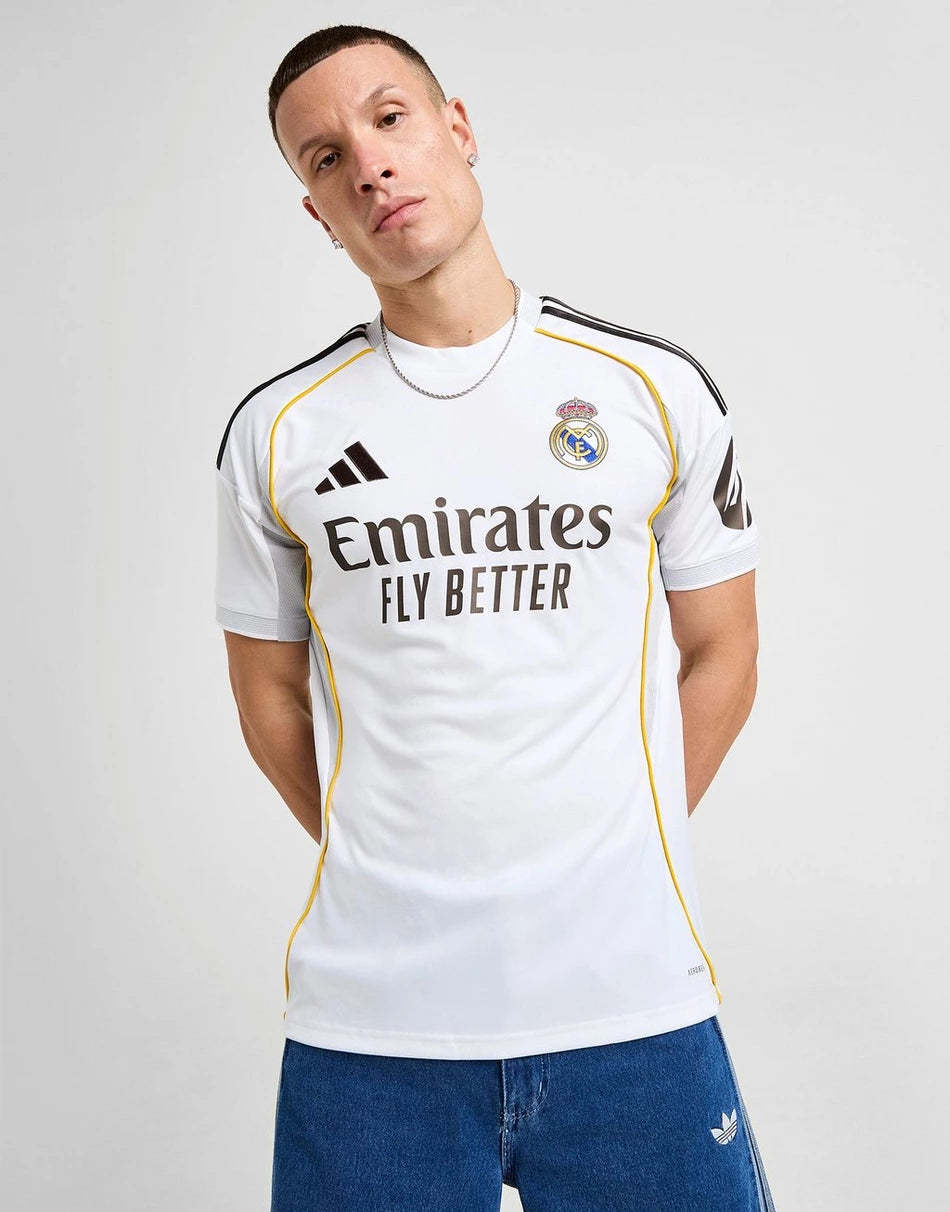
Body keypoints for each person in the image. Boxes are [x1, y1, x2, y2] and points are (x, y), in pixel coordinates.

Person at [214, 22, 777, 1212]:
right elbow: (266, 697)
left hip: (632, 1007)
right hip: (372, 1031)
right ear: (316, 213)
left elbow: (722, 648)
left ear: (455, 129)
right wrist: (386, 845)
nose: (367, 164)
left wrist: (616, 842)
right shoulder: (279, 432)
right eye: (323, 158)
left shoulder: (649, 389)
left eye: (388, 118)